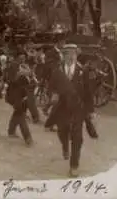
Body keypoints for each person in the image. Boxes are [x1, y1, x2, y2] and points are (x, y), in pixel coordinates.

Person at [47, 44, 96, 177]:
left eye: (73, 53)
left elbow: (88, 91)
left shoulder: (83, 71)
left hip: (78, 109)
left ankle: (74, 165)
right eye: (67, 53)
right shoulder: (57, 71)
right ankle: (64, 146)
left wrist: (91, 110)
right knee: (62, 131)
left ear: (76, 54)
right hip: (61, 108)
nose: (70, 56)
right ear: (63, 55)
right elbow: (50, 87)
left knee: (77, 138)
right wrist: (53, 94)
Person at [5, 58, 35, 147]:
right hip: (17, 98)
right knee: (21, 117)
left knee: (17, 114)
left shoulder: (22, 75)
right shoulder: (18, 76)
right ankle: (27, 137)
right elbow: (15, 87)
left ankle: (11, 131)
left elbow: (30, 84)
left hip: (22, 98)